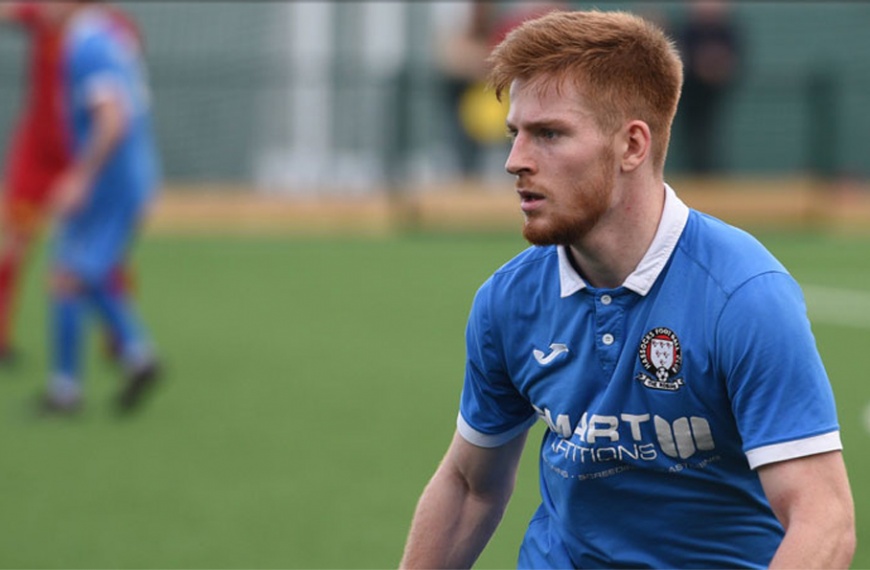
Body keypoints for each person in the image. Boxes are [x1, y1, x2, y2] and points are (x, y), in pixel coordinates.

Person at [400, 9, 855, 569]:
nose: (515, 161)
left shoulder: (744, 296)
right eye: (515, 133)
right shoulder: (509, 301)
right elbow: (471, 486)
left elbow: (823, 521)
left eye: (549, 134)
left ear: (632, 146)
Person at [39, 1, 160, 413]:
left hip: (110, 183)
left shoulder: (89, 45)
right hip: (119, 178)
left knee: (76, 272)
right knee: (68, 274)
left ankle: (135, 354)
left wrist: (80, 177)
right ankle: (68, 386)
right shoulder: (101, 35)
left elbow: (113, 120)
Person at [0, 1, 137, 364]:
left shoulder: (108, 33)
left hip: (81, 158)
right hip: (36, 157)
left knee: (98, 253)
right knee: (13, 242)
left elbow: (118, 103)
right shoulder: (43, 17)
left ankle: (120, 338)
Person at [674, 0, 742, 174]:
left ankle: (709, 173)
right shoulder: (688, 31)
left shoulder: (726, 32)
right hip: (689, 92)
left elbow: (732, 63)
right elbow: (680, 57)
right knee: (690, 135)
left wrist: (715, 68)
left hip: (712, 93)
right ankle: (692, 172)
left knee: (707, 135)